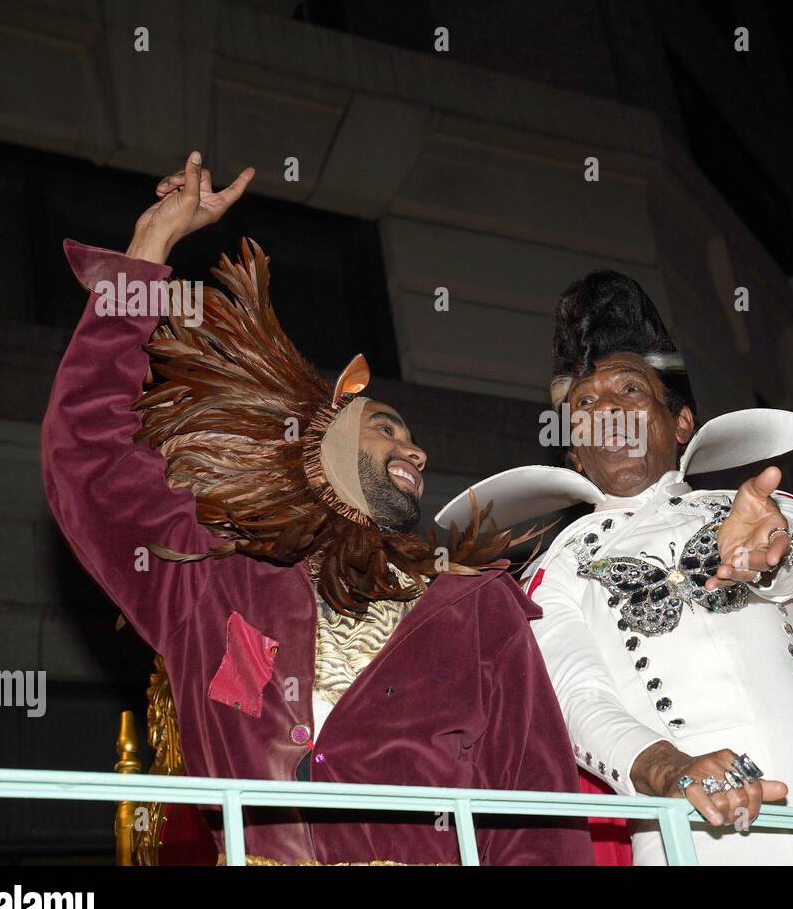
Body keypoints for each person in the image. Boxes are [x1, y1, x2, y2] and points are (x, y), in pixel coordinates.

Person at [42, 151, 592, 865]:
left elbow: (537, 818)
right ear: (322, 434)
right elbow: (87, 455)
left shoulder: (478, 609)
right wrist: (149, 247)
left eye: (417, 440)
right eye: (387, 424)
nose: (416, 451)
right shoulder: (209, 576)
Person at [437, 270, 793, 865]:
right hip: (688, 818)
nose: (607, 408)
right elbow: (576, 697)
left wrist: (769, 552)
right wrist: (668, 769)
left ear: (680, 422)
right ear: (573, 447)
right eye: (584, 403)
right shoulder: (554, 572)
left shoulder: (758, 507)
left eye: (630, 391)